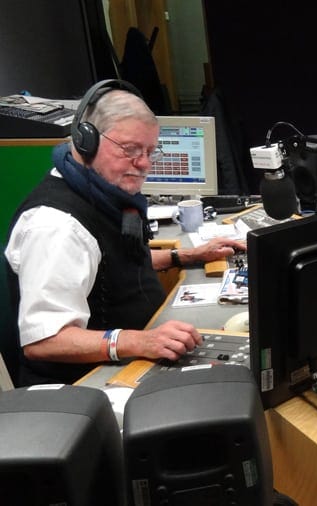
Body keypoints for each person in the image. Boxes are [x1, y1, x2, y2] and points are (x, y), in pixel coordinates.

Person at [4, 82, 245, 386]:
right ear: (86, 140)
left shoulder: (100, 193)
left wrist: (185, 256)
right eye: (130, 149)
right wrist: (138, 341)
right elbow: (44, 340)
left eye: (150, 152)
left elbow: (110, 261)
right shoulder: (56, 226)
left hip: (127, 359)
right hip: (84, 385)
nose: (143, 163)